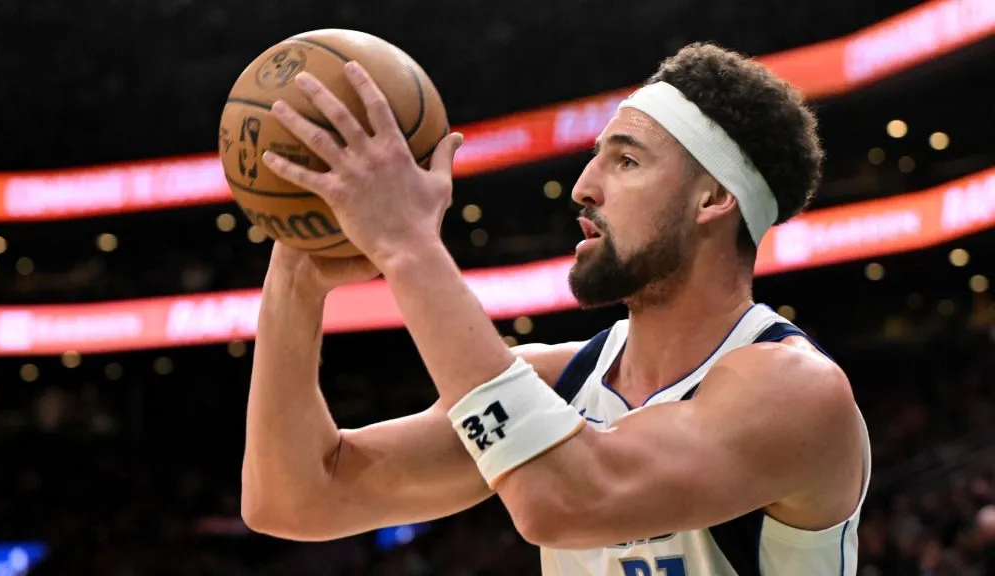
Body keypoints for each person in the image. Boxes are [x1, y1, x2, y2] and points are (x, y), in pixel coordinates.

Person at [240, 42, 871, 575]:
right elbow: (294, 499)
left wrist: (407, 247)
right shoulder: (556, 382)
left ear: (713, 198)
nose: (583, 186)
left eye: (627, 160)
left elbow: (564, 497)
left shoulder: (795, 393)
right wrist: (297, 274)